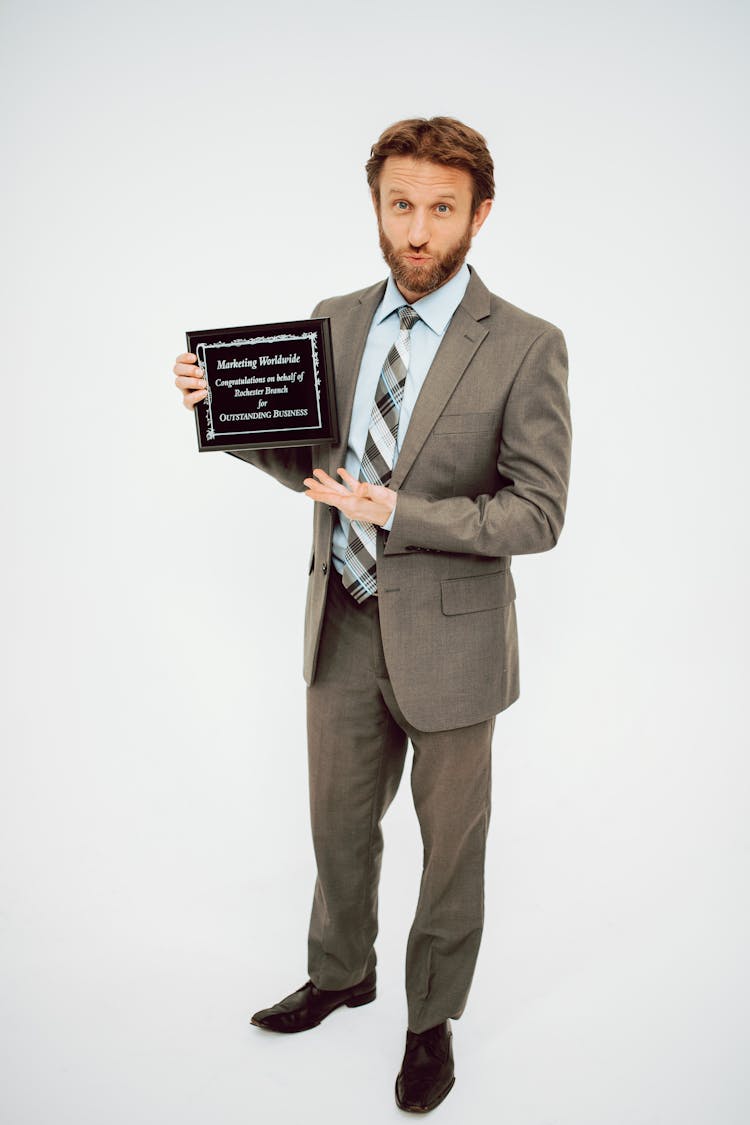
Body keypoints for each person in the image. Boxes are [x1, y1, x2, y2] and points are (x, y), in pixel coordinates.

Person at [173, 116, 572, 1114]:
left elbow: (539, 511)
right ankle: (342, 970)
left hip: (453, 640)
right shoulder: (336, 318)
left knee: (450, 846)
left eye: (442, 209)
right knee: (338, 826)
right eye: (402, 205)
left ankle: (431, 1021)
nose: (419, 230)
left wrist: (403, 512)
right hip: (341, 617)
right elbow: (313, 471)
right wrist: (222, 413)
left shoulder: (526, 346)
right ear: (378, 207)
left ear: (479, 215)